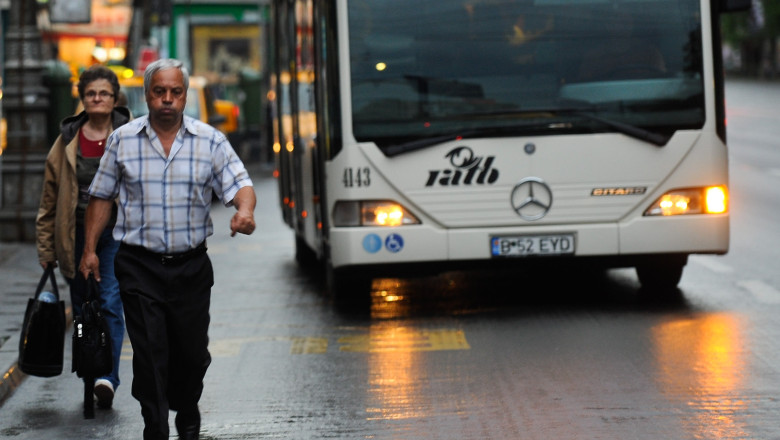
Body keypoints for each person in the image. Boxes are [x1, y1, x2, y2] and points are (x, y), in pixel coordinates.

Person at [78, 58, 256, 440]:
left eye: (175, 92)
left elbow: (240, 183)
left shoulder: (210, 140)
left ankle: (187, 410)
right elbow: (101, 198)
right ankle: (155, 426)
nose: (167, 100)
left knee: (192, 355)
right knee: (150, 352)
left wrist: (245, 211)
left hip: (191, 268)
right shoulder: (123, 140)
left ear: (185, 96)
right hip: (139, 266)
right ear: (147, 95)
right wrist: (90, 249)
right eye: (159, 92)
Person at [36, 65, 131, 410]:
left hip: (117, 236)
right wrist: (46, 247)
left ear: (114, 97)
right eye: (91, 93)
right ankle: (89, 369)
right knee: (82, 310)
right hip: (74, 237)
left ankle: (108, 377)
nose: (98, 98)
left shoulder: (131, 133)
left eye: (104, 93)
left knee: (109, 302)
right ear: (83, 98)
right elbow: (49, 199)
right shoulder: (67, 141)